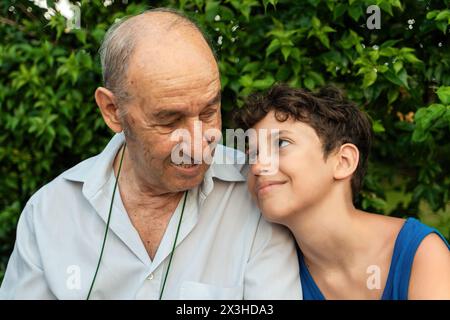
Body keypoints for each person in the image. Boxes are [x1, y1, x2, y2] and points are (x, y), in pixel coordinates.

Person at [0, 9, 301, 300]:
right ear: (112, 110)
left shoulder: (261, 190)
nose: (198, 145)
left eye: (210, 112)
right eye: (169, 120)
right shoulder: (49, 212)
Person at [236, 84, 450, 299]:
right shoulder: (269, 269)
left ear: (343, 161)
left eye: (281, 143)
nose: (257, 167)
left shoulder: (420, 255)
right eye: (253, 154)